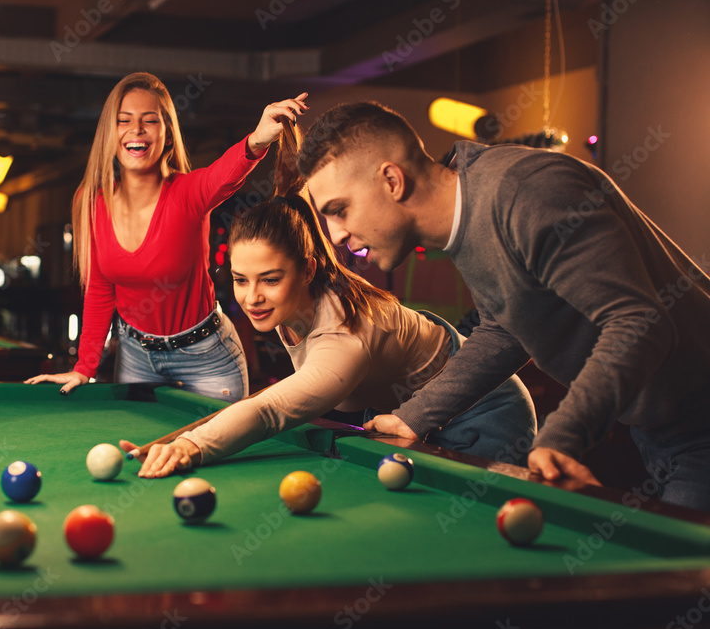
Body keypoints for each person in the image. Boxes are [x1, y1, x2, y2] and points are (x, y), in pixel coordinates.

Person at [298, 101, 710, 511]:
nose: (334, 235)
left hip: (699, 420)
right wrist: (415, 416)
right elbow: (507, 328)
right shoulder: (468, 215)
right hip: (660, 425)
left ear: (391, 180)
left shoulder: (525, 192)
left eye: (339, 210)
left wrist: (562, 435)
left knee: (682, 576)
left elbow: (639, 322)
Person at [120, 122, 536, 478]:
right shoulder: (295, 293)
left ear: (308, 269)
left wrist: (193, 447)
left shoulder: (343, 336)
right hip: (418, 413)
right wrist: (178, 440)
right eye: (240, 280)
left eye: (269, 279)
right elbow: (295, 200)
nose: (252, 298)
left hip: (483, 413)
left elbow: (268, 411)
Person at [26, 72, 308, 403]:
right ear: (109, 134)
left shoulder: (187, 193)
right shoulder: (90, 201)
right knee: (137, 453)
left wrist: (257, 140)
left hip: (206, 357)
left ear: (168, 135)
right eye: (124, 120)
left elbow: (224, 175)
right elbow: (100, 289)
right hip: (136, 358)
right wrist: (84, 368)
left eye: (150, 121)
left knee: (213, 453)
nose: (136, 130)